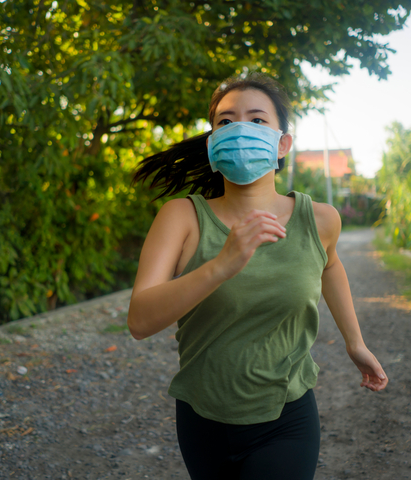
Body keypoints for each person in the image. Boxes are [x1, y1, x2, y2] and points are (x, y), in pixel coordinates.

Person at [127, 72, 388, 480]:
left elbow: (330, 265)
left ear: (282, 143)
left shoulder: (320, 219)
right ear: (213, 143)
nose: (240, 130)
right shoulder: (181, 217)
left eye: (257, 120)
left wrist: (355, 343)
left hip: (287, 417)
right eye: (226, 122)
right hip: (203, 415)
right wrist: (221, 265)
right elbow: (140, 321)